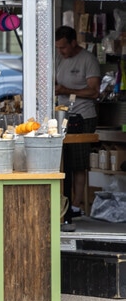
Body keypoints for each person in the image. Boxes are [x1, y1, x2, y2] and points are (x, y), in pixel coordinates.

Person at [54, 26, 100, 231]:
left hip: (83, 115)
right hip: (63, 115)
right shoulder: (59, 58)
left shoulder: (87, 59)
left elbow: (94, 91)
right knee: (64, 161)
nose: (61, 51)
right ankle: (64, 205)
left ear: (73, 42)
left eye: (63, 47)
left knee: (79, 162)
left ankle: (77, 204)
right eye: (58, 48)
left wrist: (67, 90)